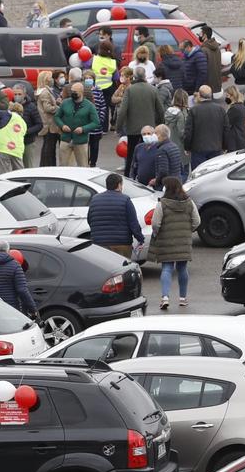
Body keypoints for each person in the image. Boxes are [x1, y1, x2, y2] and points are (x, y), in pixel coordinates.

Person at [149, 176, 197, 311]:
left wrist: (157, 233)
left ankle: (165, 297)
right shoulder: (189, 202)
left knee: (167, 268)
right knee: (182, 268)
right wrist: (187, 230)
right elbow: (197, 221)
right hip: (184, 241)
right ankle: (182, 299)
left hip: (166, 241)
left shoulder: (162, 204)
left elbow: (155, 223)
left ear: (166, 188)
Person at [116, 70, 166, 175]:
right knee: (150, 153)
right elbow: (160, 110)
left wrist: (118, 127)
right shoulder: (153, 89)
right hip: (150, 128)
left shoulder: (130, 90)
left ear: (134, 76)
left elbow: (123, 110)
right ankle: (148, 174)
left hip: (133, 129)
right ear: (145, 76)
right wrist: (160, 124)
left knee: (131, 155)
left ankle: (129, 176)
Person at [87, 172, 145, 259]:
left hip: (100, 244)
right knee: (121, 270)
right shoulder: (125, 200)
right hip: (121, 244)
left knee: (103, 269)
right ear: (119, 185)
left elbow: (90, 219)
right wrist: (140, 239)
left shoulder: (95, 199)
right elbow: (133, 224)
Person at [55, 83, 96, 167]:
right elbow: (57, 117)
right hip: (65, 139)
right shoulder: (65, 103)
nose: (72, 93)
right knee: (63, 165)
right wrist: (62, 126)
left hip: (81, 140)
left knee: (83, 166)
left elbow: (96, 122)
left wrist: (83, 129)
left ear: (81, 92)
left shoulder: (89, 106)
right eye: (72, 91)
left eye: (75, 92)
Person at [186, 86, 226, 169]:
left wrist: (187, 147)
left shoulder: (194, 110)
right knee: (214, 173)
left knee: (199, 175)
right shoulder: (220, 109)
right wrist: (225, 146)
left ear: (199, 95)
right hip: (216, 147)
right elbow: (226, 129)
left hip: (198, 149)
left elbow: (189, 131)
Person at [0, 104, 28, 174]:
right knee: (20, 173)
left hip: (4, 148)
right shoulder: (23, 123)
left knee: (5, 173)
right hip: (17, 150)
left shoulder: (7, 114)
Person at [33, 83, 61, 168]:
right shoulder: (45, 92)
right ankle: (48, 167)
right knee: (49, 149)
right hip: (49, 123)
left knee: (48, 147)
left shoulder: (42, 91)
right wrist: (59, 107)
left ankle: (47, 166)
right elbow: (47, 108)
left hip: (47, 123)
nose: (51, 79)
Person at [222, 84, 245, 152]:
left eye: (227, 96)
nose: (226, 98)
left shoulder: (234, 108)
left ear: (232, 96)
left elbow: (227, 123)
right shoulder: (241, 106)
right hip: (240, 137)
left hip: (235, 140)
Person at [199, 27, 228, 93]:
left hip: (207, 84)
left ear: (205, 36)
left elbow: (203, 68)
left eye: (200, 34)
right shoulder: (217, 48)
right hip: (216, 82)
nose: (199, 35)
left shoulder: (204, 50)